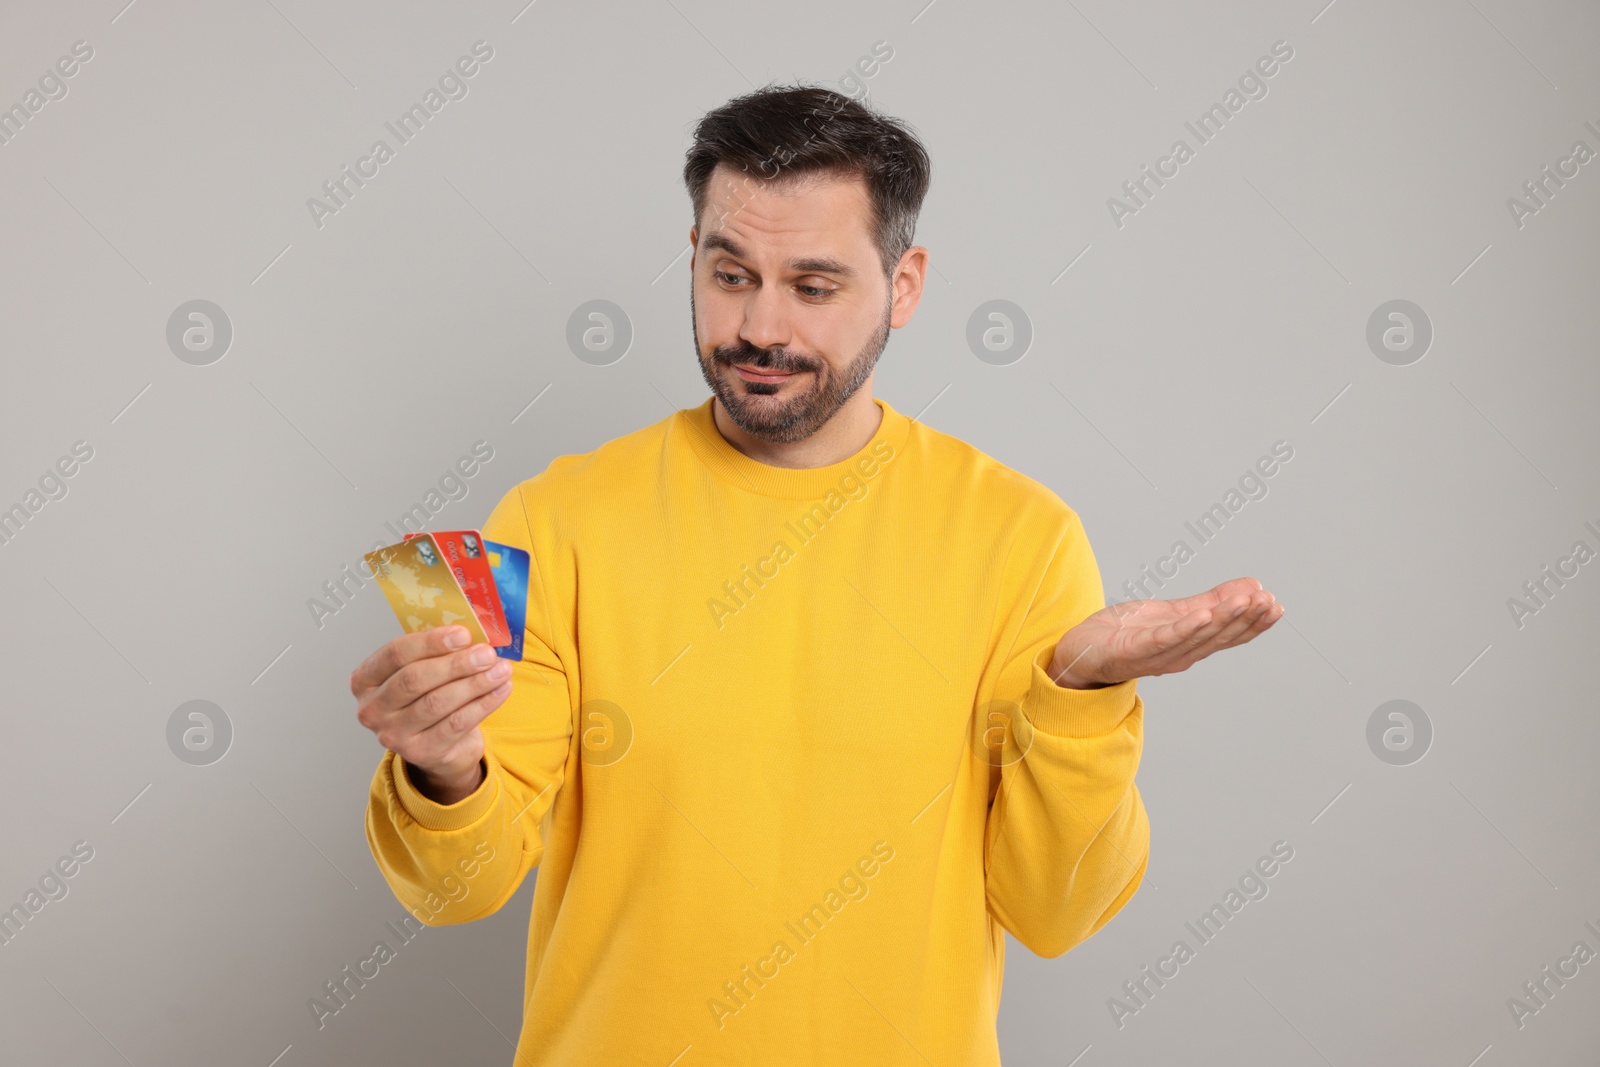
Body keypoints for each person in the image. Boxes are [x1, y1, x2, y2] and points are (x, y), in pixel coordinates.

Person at [350, 84, 1282, 1065]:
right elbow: (459, 890)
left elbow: (1057, 913)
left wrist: (1081, 698)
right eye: (729, 272)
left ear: (905, 283)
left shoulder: (1023, 537)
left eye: (814, 284)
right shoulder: (548, 520)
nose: (760, 325)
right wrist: (441, 765)